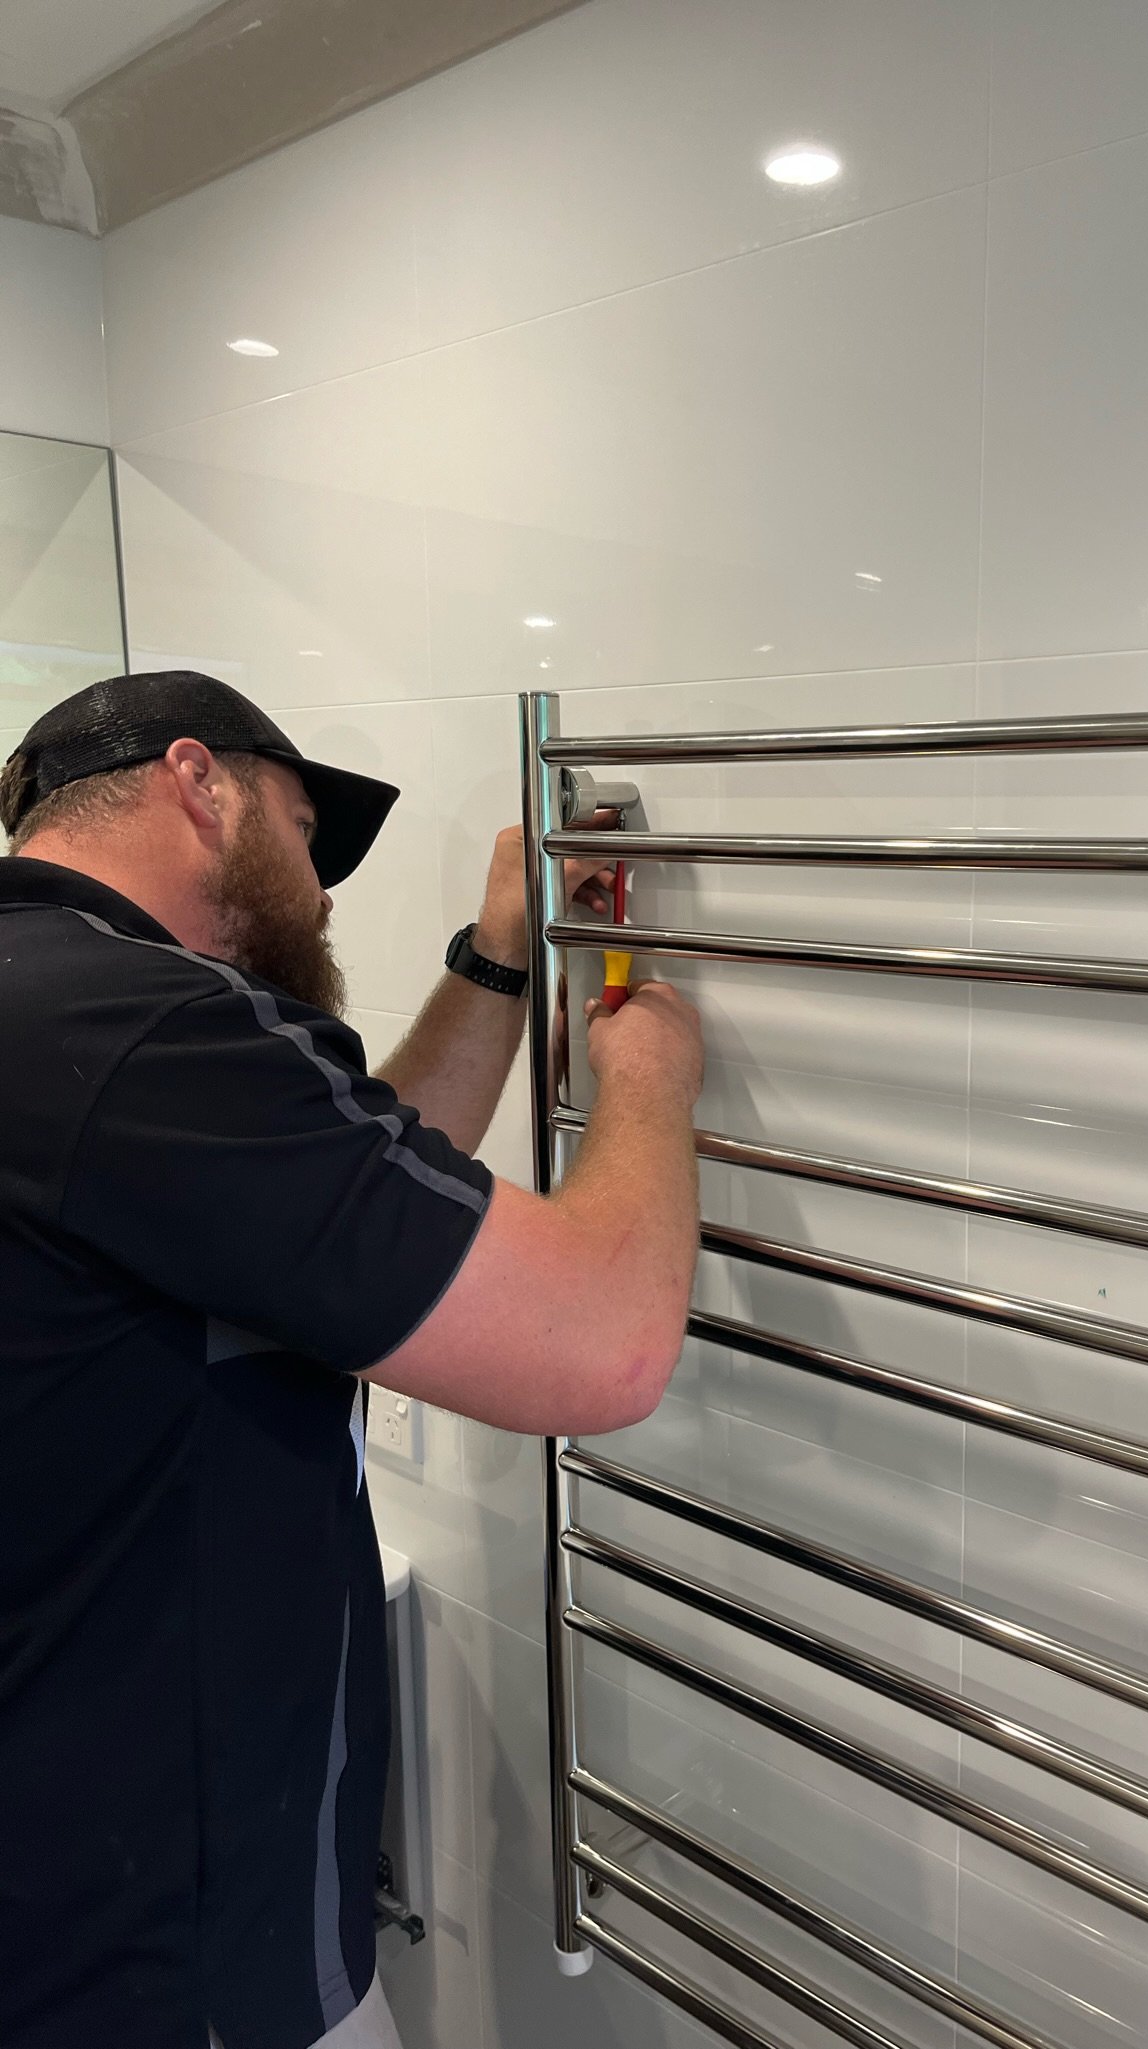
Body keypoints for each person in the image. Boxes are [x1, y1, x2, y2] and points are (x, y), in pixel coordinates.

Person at [0, 671, 704, 2049]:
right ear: (198, 783)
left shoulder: (53, 1020)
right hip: (161, 1963)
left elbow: (333, 1209)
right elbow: (604, 1340)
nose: (319, 890)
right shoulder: (142, 1023)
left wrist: (500, 955)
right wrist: (653, 1069)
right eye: (303, 825)